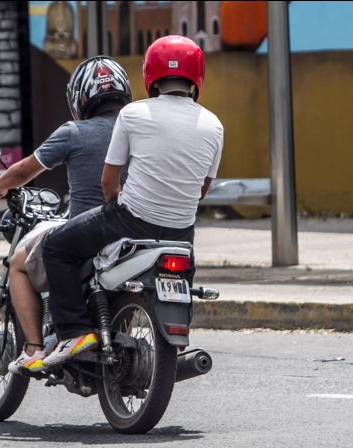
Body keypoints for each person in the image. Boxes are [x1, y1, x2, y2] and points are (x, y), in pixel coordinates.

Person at [40, 36, 224, 368]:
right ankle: (178, 347)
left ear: (150, 76)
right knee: (184, 274)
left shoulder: (133, 113)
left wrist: (112, 208)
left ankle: (73, 331)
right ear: (197, 77)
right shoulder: (214, 125)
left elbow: (109, 182)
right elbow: (201, 189)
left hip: (130, 219)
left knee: (55, 247)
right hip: (181, 232)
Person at [0, 56, 132, 374]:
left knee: (19, 263)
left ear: (80, 96)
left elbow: (24, 170)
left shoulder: (75, 132)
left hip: (86, 231)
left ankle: (33, 348)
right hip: (135, 229)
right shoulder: (141, 129)